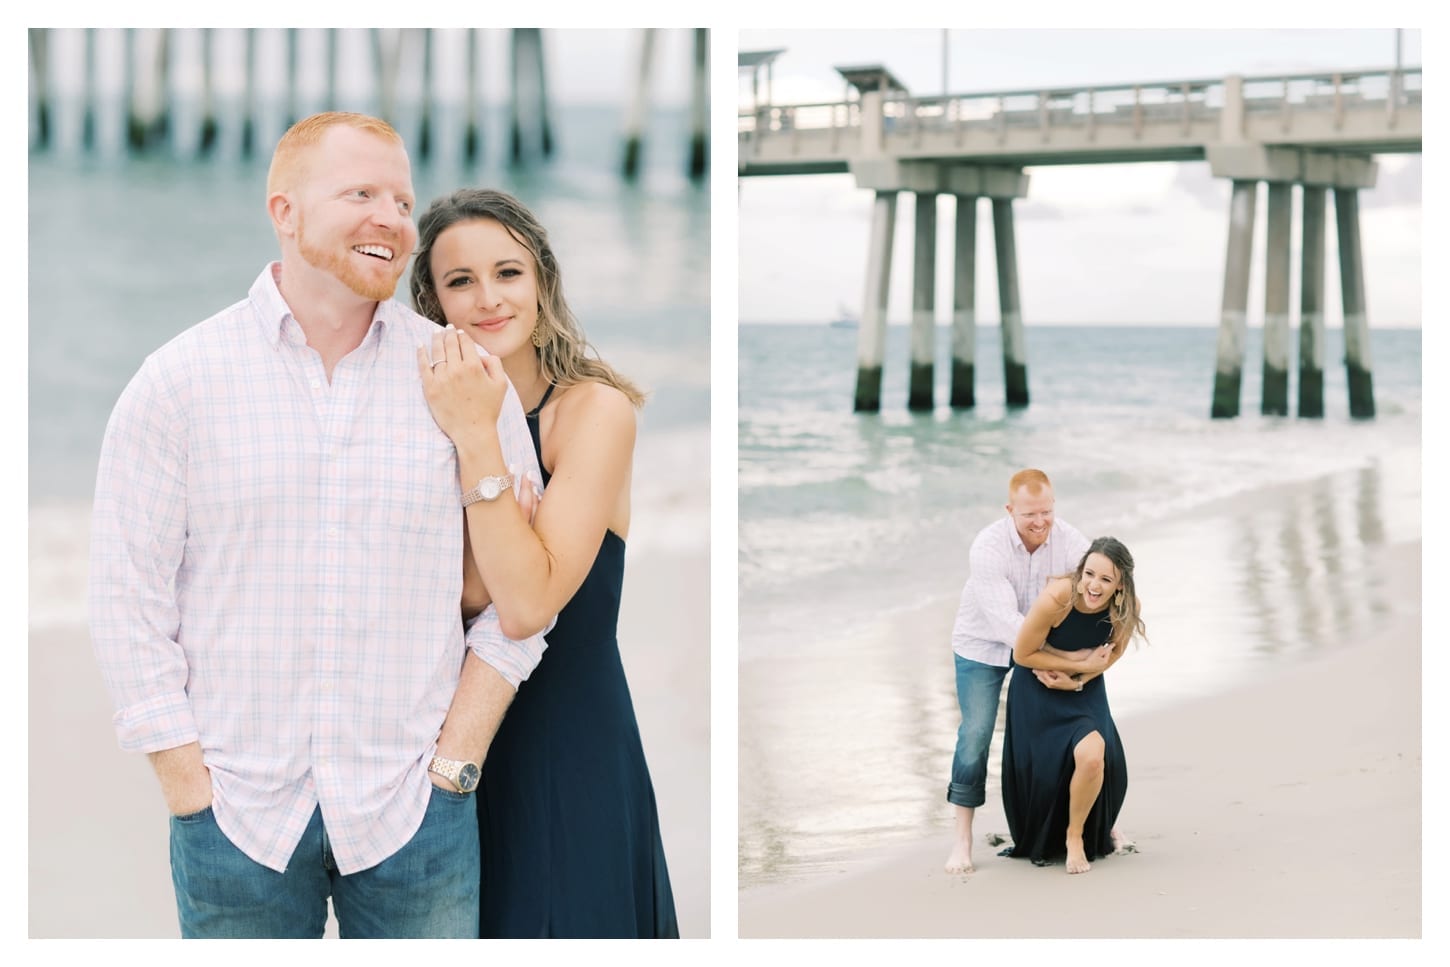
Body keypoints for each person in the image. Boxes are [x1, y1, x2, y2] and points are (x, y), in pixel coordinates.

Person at [88, 113, 549, 939]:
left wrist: (454, 765)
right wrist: (187, 783)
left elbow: (516, 608)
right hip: (235, 816)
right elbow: (128, 598)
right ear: (285, 210)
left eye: (403, 201)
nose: (393, 219)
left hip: (416, 812)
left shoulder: (464, 382)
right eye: (361, 193)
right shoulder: (178, 383)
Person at [410, 187, 679, 938]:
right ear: (431, 299)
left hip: (570, 744)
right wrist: (499, 539)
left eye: (508, 272)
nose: (488, 298)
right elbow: (451, 591)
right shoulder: (415, 412)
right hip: (447, 745)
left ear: (543, 282)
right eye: (460, 281)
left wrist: (477, 440)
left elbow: (526, 603)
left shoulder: (593, 412)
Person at [944, 469, 1090, 874]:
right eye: (1030, 515)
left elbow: (1097, 590)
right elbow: (1007, 623)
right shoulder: (988, 547)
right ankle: (962, 838)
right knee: (975, 735)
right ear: (1010, 511)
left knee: (1066, 725)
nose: (1040, 522)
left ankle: (1088, 823)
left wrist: (1082, 660)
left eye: (1047, 511)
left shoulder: (1071, 541)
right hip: (983, 644)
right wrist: (1054, 660)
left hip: (1040, 641)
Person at [1001, 536, 1147, 873]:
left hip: (1084, 690)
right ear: (1081, 571)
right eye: (1090, 574)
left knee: (1093, 758)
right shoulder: (1058, 597)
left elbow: (1108, 657)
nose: (1094, 586)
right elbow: (1022, 654)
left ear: (1120, 585)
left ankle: (1075, 836)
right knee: (1051, 770)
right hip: (1037, 686)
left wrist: (1079, 679)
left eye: (1106, 579)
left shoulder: (1127, 607)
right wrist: (1075, 664)